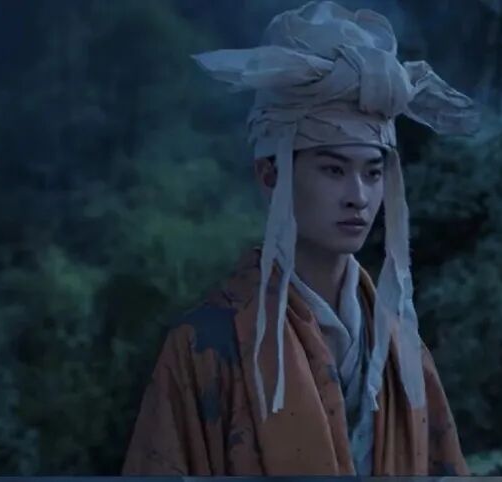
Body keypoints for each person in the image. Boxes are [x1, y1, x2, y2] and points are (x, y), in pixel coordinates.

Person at [122, 2, 478, 475]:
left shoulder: (402, 351)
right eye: (333, 170)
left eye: (373, 173)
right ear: (270, 175)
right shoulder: (203, 346)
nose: (358, 197)